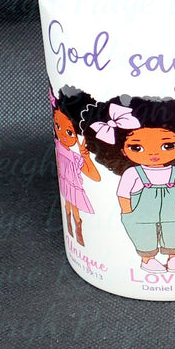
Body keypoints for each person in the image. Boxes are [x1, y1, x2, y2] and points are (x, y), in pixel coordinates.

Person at [82, 96, 175, 273]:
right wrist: (128, 212)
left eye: (167, 146)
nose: (153, 153)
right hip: (140, 214)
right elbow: (123, 194)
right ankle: (148, 259)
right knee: (143, 233)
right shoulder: (132, 173)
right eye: (137, 148)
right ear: (122, 151)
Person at [51, 87, 101, 246]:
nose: (62, 134)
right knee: (68, 205)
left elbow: (95, 176)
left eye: (70, 132)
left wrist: (85, 156)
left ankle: (78, 233)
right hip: (65, 182)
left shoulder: (74, 157)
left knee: (74, 208)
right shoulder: (60, 146)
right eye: (57, 126)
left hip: (73, 185)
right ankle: (73, 235)